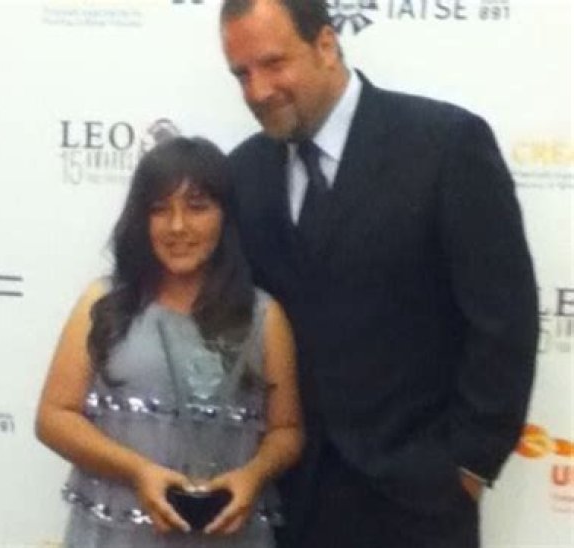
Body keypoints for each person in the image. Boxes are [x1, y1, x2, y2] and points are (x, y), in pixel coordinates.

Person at [219, 1, 539, 547]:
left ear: (326, 45)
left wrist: (467, 466)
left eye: (273, 63)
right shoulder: (244, 171)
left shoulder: (445, 145)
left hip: (419, 502)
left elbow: (504, 320)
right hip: (287, 503)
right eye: (241, 74)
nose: (258, 90)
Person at [36, 136, 303, 548]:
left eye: (197, 207)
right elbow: (54, 418)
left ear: (225, 216)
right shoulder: (103, 303)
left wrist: (252, 476)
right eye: (159, 209)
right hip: (118, 535)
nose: (178, 226)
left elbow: (287, 430)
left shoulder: (263, 317)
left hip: (228, 535)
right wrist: (137, 471)